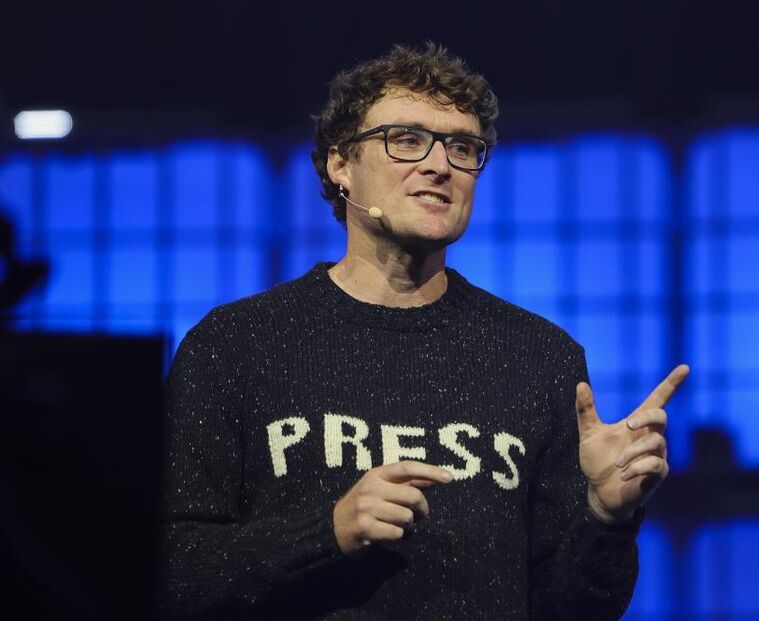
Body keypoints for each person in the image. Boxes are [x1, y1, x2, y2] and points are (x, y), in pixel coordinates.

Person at [158, 42, 688, 621]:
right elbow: (173, 573)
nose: (439, 164)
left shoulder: (541, 358)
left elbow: (570, 610)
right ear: (340, 165)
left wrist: (604, 519)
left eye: (463, 147)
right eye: (406, 139)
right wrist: (327, 533)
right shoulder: (236, 343)